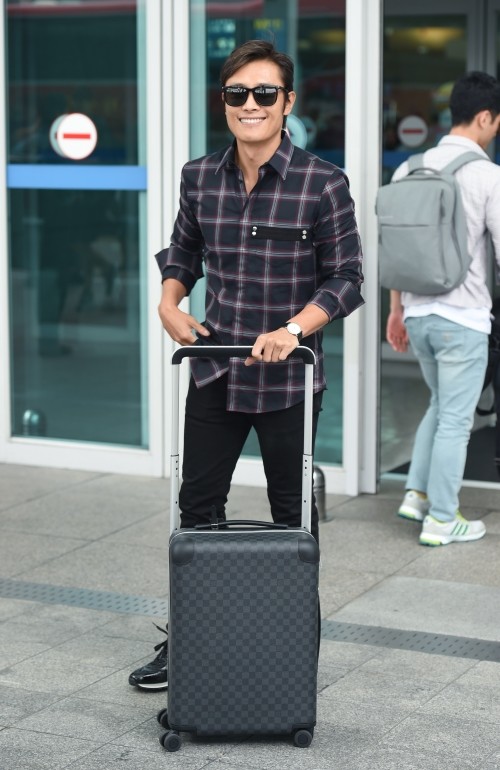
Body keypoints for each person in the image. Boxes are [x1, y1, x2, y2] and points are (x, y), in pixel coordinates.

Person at [128, 39, 364, 691]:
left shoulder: (323, 182)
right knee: (196, 510)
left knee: (293, 519)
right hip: (216, 367)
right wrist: (169, 303)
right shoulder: (199, 176)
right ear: (224, 102)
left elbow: (346, 280)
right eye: (238, 93)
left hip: (290, 378)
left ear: (288, 102)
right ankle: (191, 643)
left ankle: (290, 651)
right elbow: (183, 252)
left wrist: (293, 329)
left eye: (264, 93)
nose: (250, 104)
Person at [386, 71, 500, 547]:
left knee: (440, 405)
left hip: (416, 314)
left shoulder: (408, 169)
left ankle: (416, 494)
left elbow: (394, 248)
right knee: (457, 419)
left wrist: (396, 311)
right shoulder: (487, 175)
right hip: (462, 318)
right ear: (484, 117)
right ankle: (442, 518)